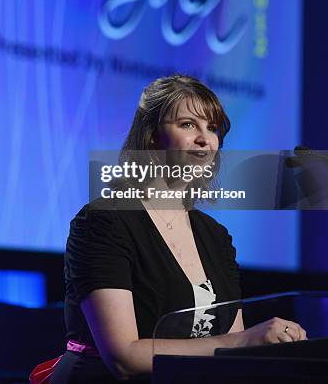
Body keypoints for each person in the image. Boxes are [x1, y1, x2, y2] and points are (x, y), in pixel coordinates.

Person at [50, 75, 307, 383]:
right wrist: (245, 340)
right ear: (152, 137)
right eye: (187, 125)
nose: (205, 139)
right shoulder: (104, 221)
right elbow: (124, 357)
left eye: (211, 128)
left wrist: (274, 342)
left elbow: (230, 342)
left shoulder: (216, 235)